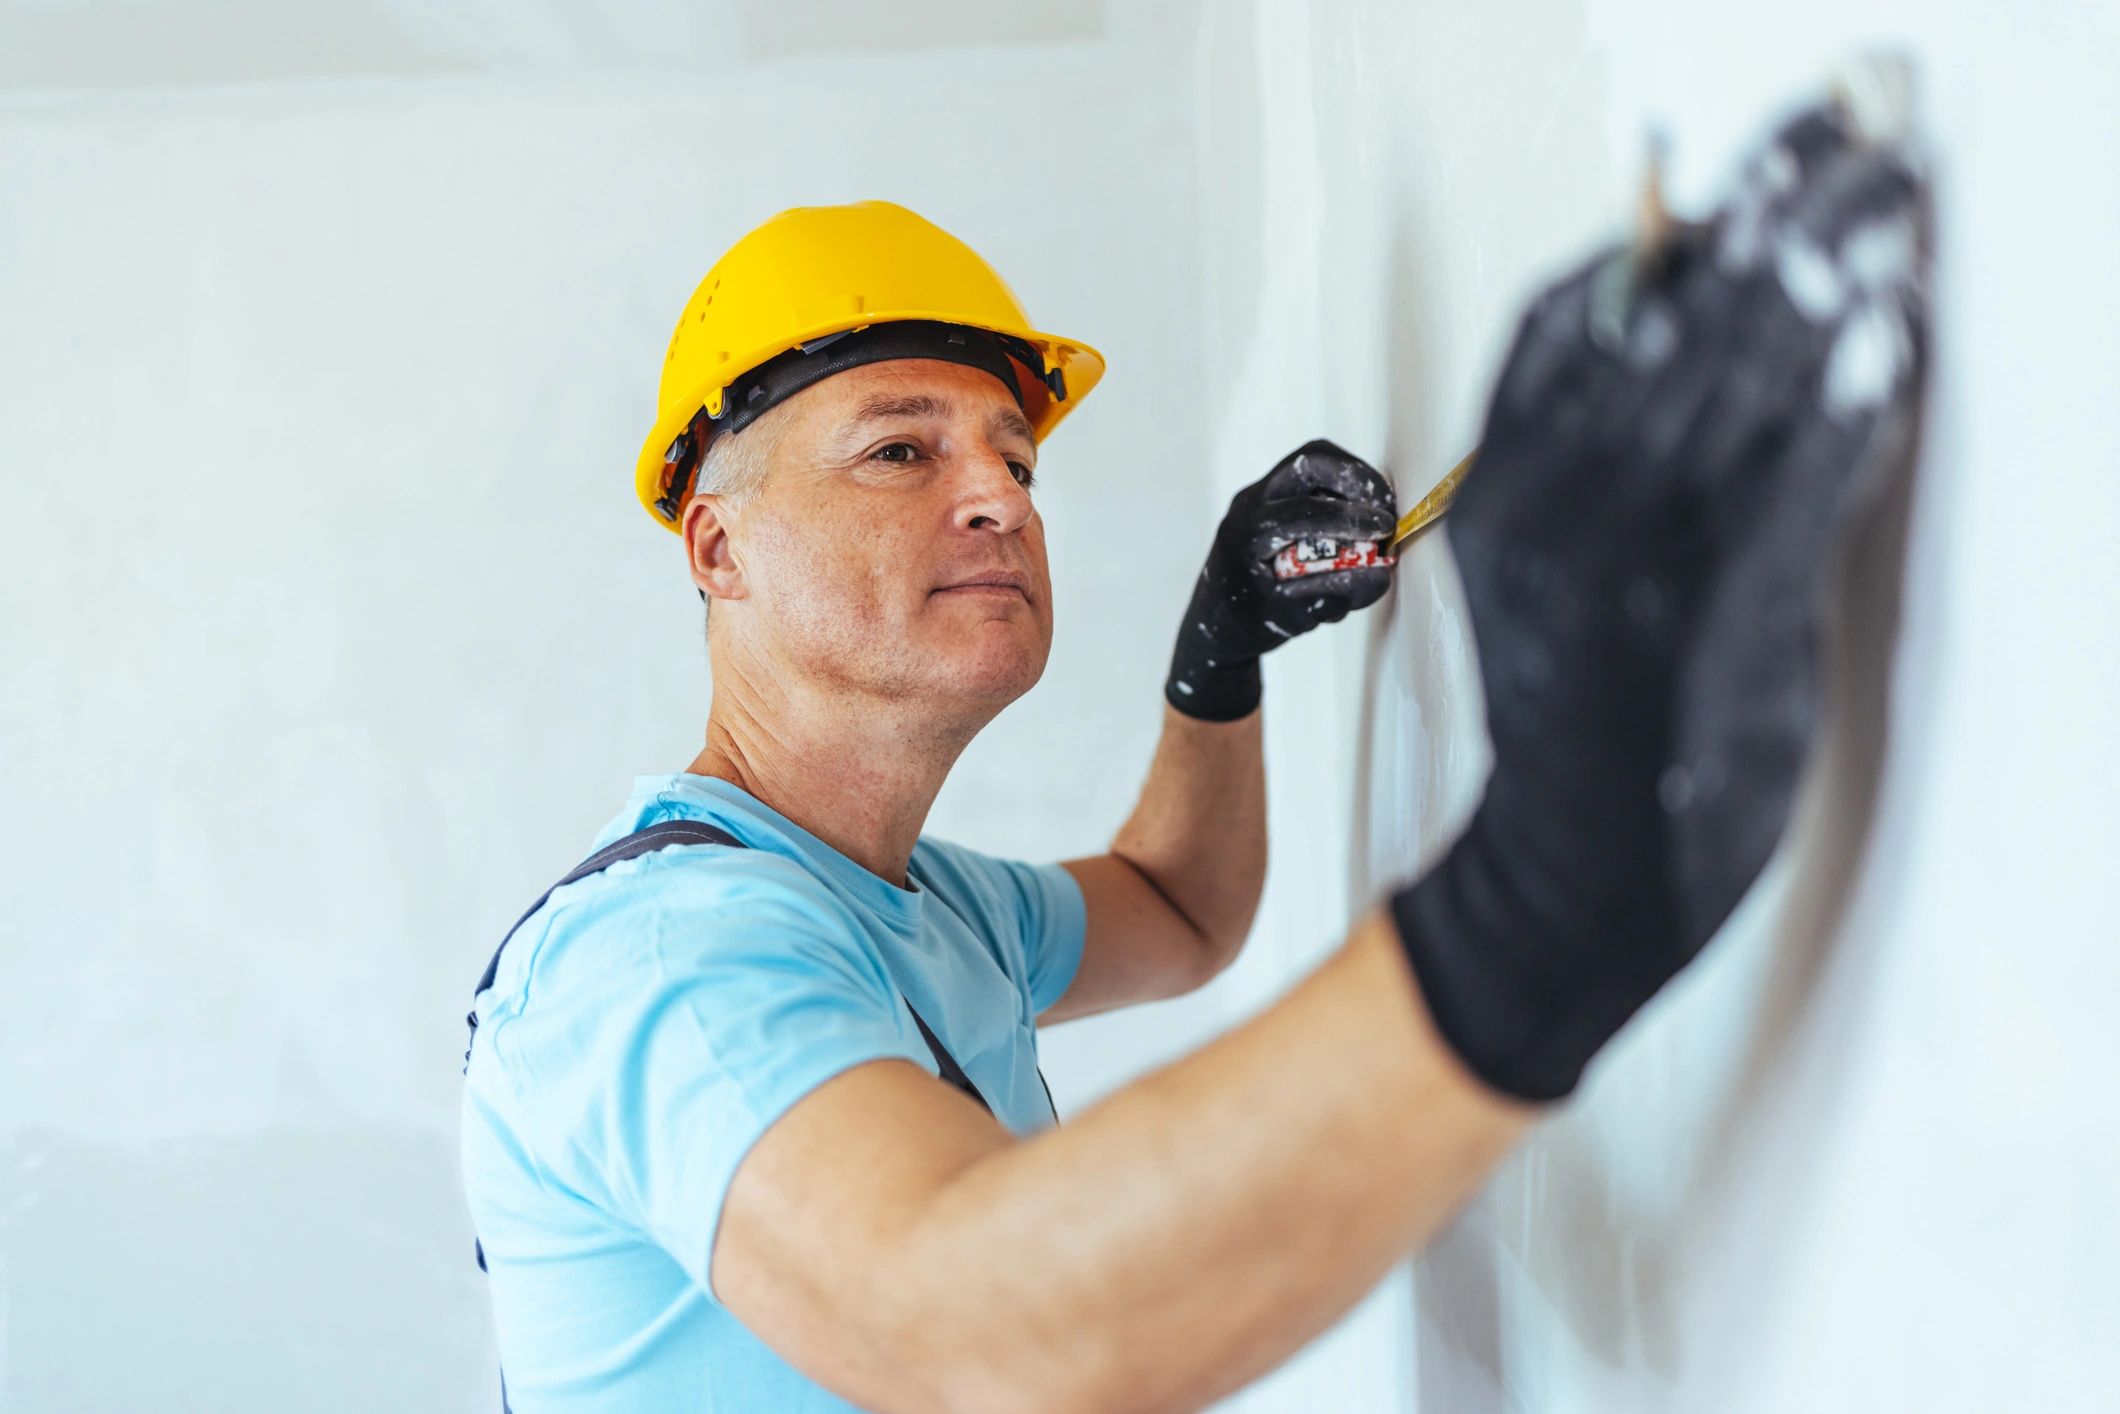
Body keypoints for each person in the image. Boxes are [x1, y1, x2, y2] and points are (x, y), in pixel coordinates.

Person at [461, 103, 1925, 1414]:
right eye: (902, 450)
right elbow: (974, 1337)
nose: (1000, 499)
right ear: (717, 544)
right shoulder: (660, 961)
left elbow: (1178, 908)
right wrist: (1536, 897)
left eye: (1018, 462)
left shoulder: (920, 902)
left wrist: (1221, 653)